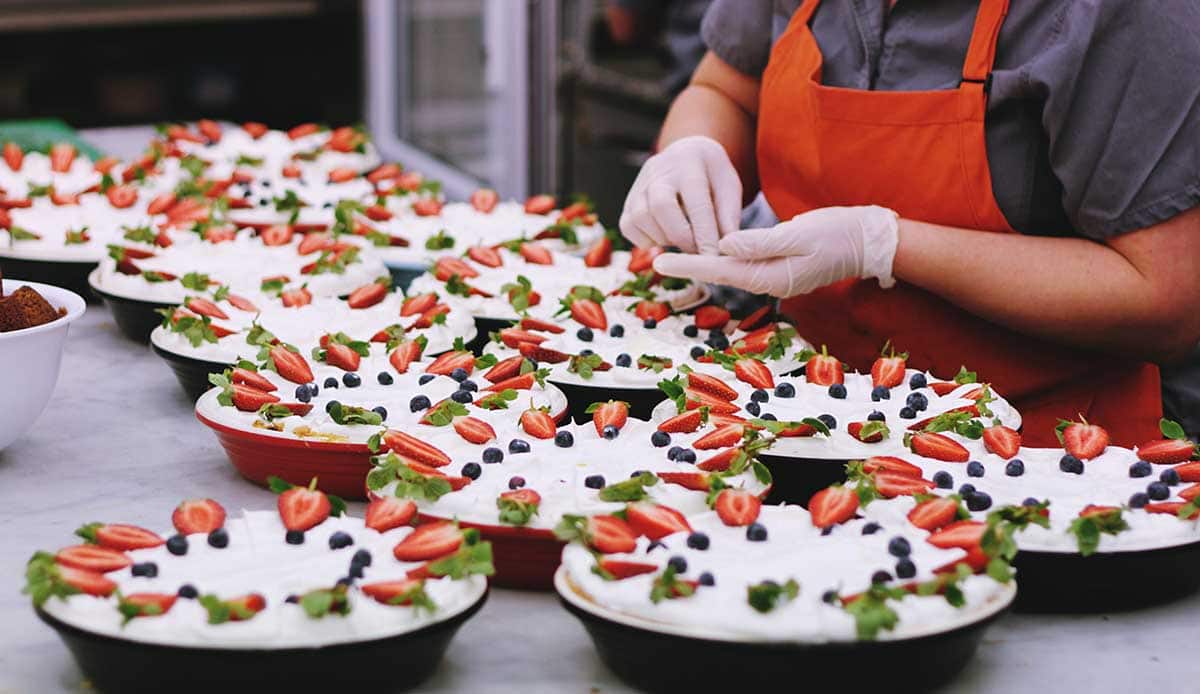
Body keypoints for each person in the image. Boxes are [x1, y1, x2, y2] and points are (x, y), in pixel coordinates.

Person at [619, 0, 1200, 447]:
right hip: (798, 411)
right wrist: (692, 150)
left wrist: (886, 245)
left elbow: (1164, 300)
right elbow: (725, 88)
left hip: (1047, 450)